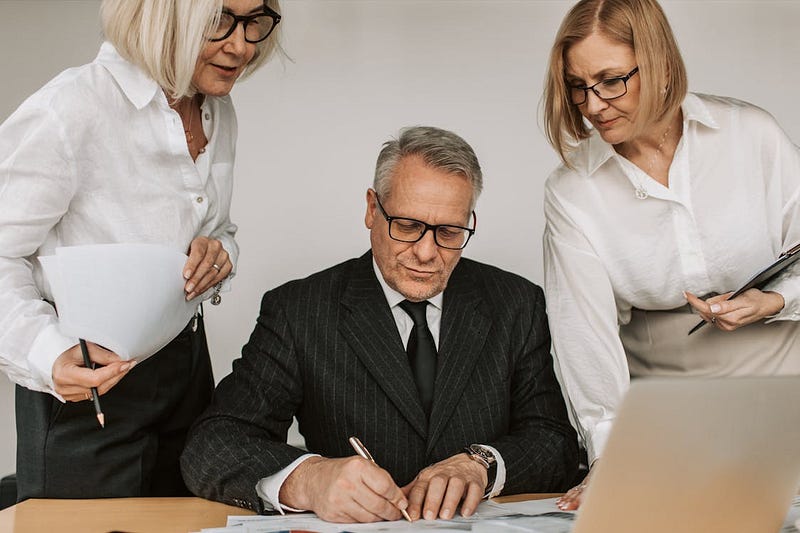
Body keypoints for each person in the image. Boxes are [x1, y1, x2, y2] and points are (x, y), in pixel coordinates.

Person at [181, 126, 579, 522]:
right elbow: (213, 444)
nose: (426, 253)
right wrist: (308, 479)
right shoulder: (299, 310)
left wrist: (481, 464)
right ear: (372, 209)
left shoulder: (516, 303)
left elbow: (555, 443)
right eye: (406, 226)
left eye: (449, 232)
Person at [0, 0, 282, 499]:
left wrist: (222, 254)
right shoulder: (70, 109)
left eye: (254, 21)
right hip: (91, 387)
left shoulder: (218, 108)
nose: (241, 45)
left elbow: (216, 229)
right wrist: (47, 354)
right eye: (219, 20)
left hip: (189, 371)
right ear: (163, 15)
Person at [541, 0, 800, 510]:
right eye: (578, 86)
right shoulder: (572, 192)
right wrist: (614, 457)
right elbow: (584, 338)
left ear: (658, 62)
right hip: (674, 421)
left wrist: (775, 300)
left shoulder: (752, 136)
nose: (593, 105)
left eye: (611, 80)